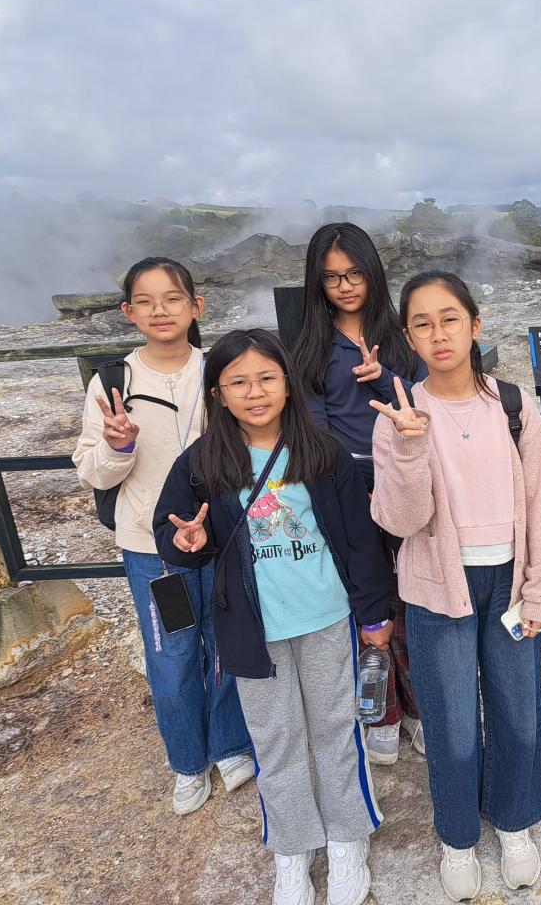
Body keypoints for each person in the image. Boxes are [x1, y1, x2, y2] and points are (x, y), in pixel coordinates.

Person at [154, 328, 395, 905]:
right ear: (217, 393)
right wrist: (185, 541)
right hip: (252, 630)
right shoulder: (202, 462)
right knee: (276, 739)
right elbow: (173, 529)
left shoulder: (322, 453)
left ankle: (347, 837)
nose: (255, 391)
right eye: (238, 381)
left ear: (288, 384)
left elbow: (360, 541)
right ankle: (292, 848)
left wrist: (373, 613)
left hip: (326, 618)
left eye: (266, 377)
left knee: (336, 730)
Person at [370, 270, 541, 902]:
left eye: (450, 318)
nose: (439, 333)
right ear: (408, 338)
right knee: (452, 723)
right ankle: (457, 838)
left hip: (510, 582)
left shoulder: (511, 405)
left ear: (475, 326)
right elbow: (399, 522)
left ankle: (513, 823)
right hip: (437, 589)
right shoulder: (400, 416)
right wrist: (409, 449)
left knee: (517, 709)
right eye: (422, 323)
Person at [72, 257, 252, 816]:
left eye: (173, 298)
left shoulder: (221, 370)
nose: (161, 311)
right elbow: (92, 472)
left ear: (196, 307)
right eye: (146, 301)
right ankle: (188, 760)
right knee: (172, 652)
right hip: (156, 553)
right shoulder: (114, 383)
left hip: (222, 543)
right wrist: (118, 444)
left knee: (227, 643)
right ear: (128, 312)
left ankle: (230, 743)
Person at [292, 221, 427, 765]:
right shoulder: (311, 347)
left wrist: (382, 376)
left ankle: (421, 707)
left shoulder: (401, 335)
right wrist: (345, 490)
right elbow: (315, 428)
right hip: (348, 486)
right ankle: (384, 713)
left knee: (416, 594)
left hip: (408, 479)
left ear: (372, 272)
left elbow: (426, 401)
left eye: (354, 274)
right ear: (317, 283)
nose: (345, 286)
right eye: (331, 278)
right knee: (370, 601)